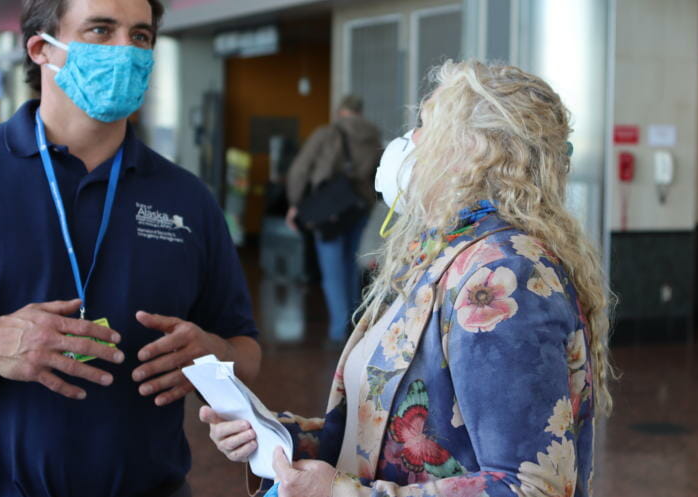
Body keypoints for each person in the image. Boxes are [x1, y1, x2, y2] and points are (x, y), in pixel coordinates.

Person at [202, 60, 613, 497]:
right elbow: (393, 432)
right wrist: (276, 436)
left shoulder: (500, 276)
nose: (410, 141)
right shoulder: (442, 251)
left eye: (427, 125)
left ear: (475, 149)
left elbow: (530, 488)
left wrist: (340, 494)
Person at [0, 0, 261, 497]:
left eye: (140, 36)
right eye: (100, 30)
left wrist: (211, 355)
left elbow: (244, 348)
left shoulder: (187, 197)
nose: (126, 52)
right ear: (42, 49)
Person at [285, 96, 382, 345]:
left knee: (332, 270)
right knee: (350, 266)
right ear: (359, 111)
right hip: (358, 207)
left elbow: (300, 168)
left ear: (340, 112)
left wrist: (296, 203)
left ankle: (339, 331)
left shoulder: (328, 133)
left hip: (329, 209)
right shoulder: (373, 136)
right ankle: (354, 327)